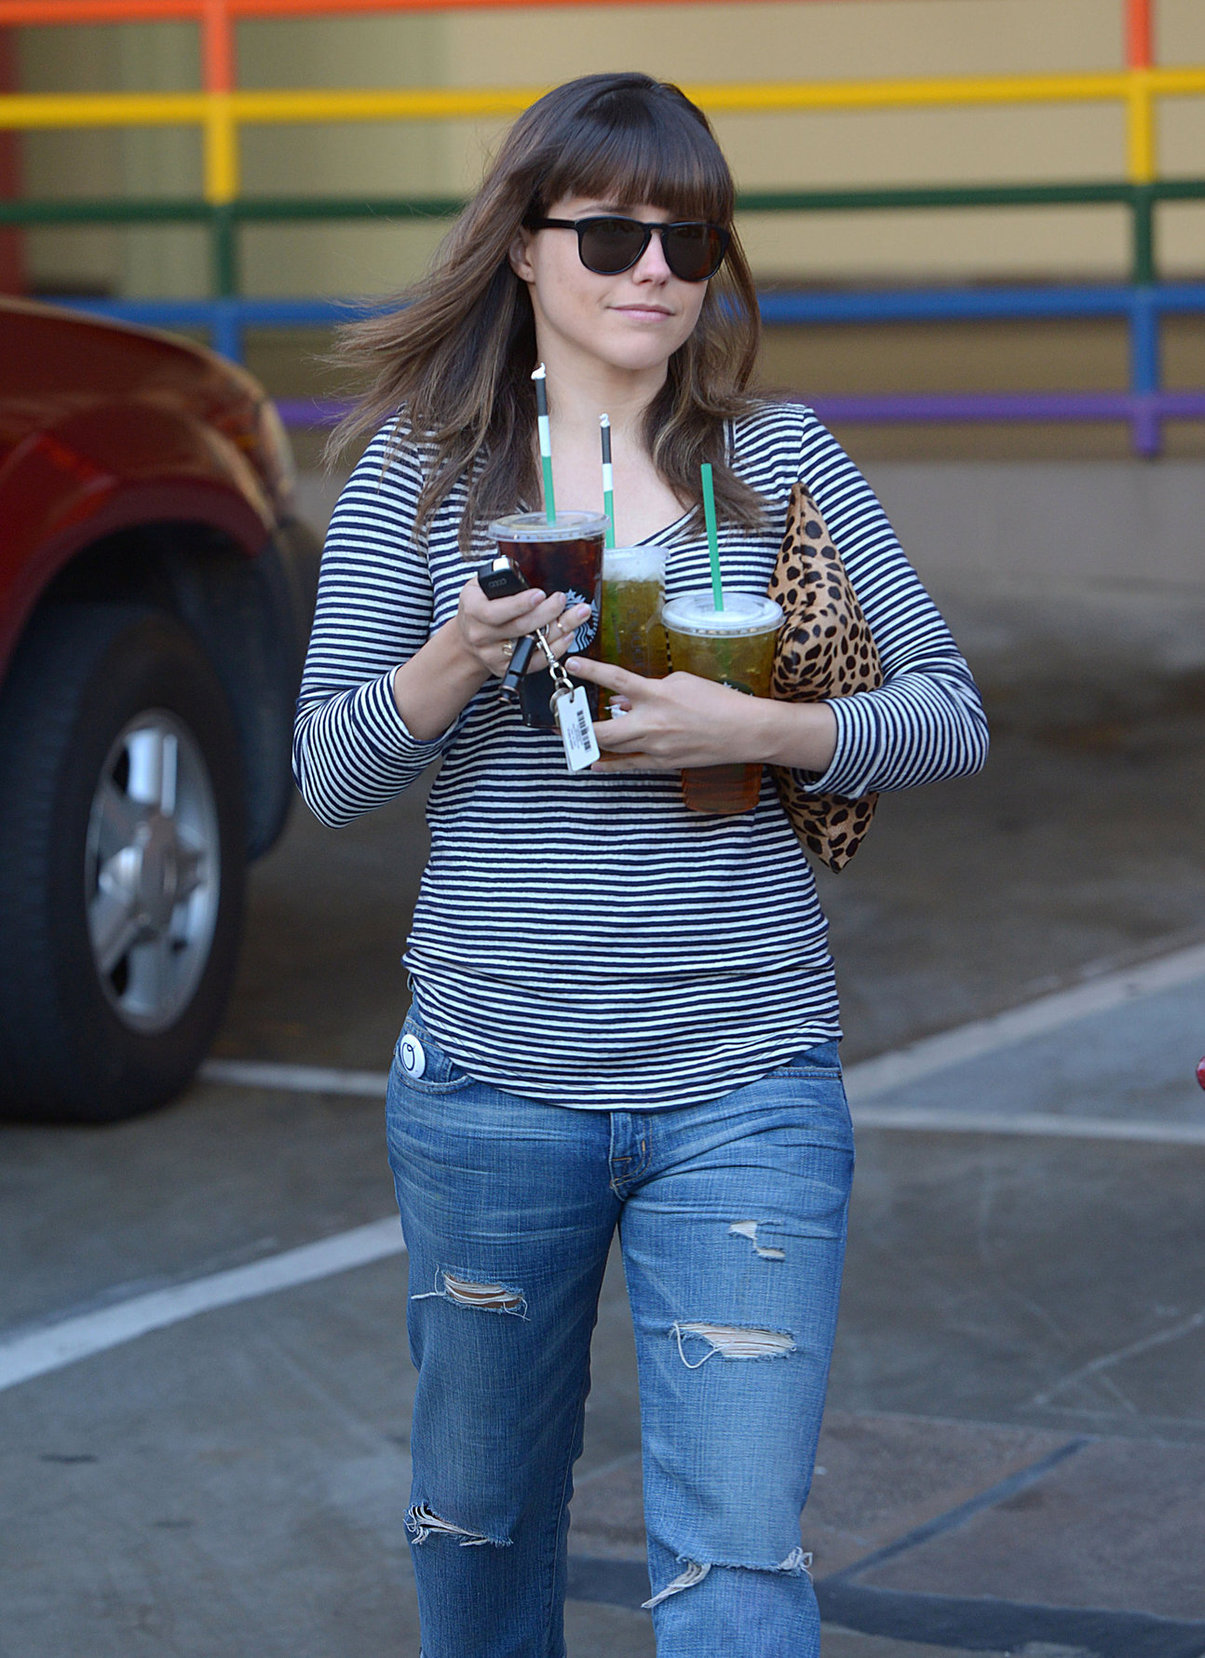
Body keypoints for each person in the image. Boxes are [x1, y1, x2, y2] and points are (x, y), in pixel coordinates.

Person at [294, 70, 988, 1658]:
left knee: (737, 1560)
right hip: (489, 1078)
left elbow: (948, 716)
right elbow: (327, 777)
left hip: (745, 1074)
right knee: (477, 1522)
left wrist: (760, 723)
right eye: (609, 234)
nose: (653, 269)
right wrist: (457, 654)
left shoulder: (778, 459)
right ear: (525, 247)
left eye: (688, 236)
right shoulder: (419, 475)